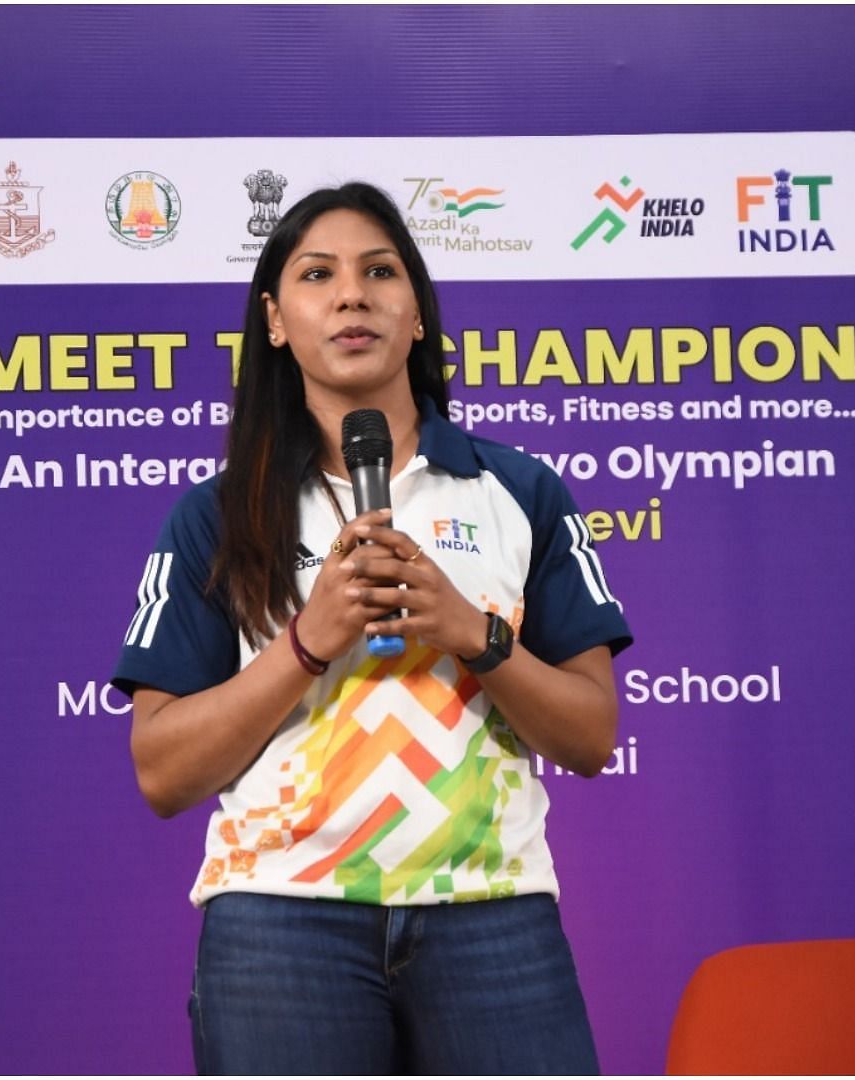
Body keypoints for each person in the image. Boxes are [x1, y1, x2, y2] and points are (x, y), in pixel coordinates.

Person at [113, 183, 632, 1073]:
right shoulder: (218, 517)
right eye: (319, 275)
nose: (352, 295)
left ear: (419, 313)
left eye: (380, 271)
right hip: (279, 923)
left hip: (492, 913)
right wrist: (309, 642)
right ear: (276, 321)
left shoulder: (520, 494)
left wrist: (473, 632)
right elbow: (162, 771)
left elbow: (590, 736)